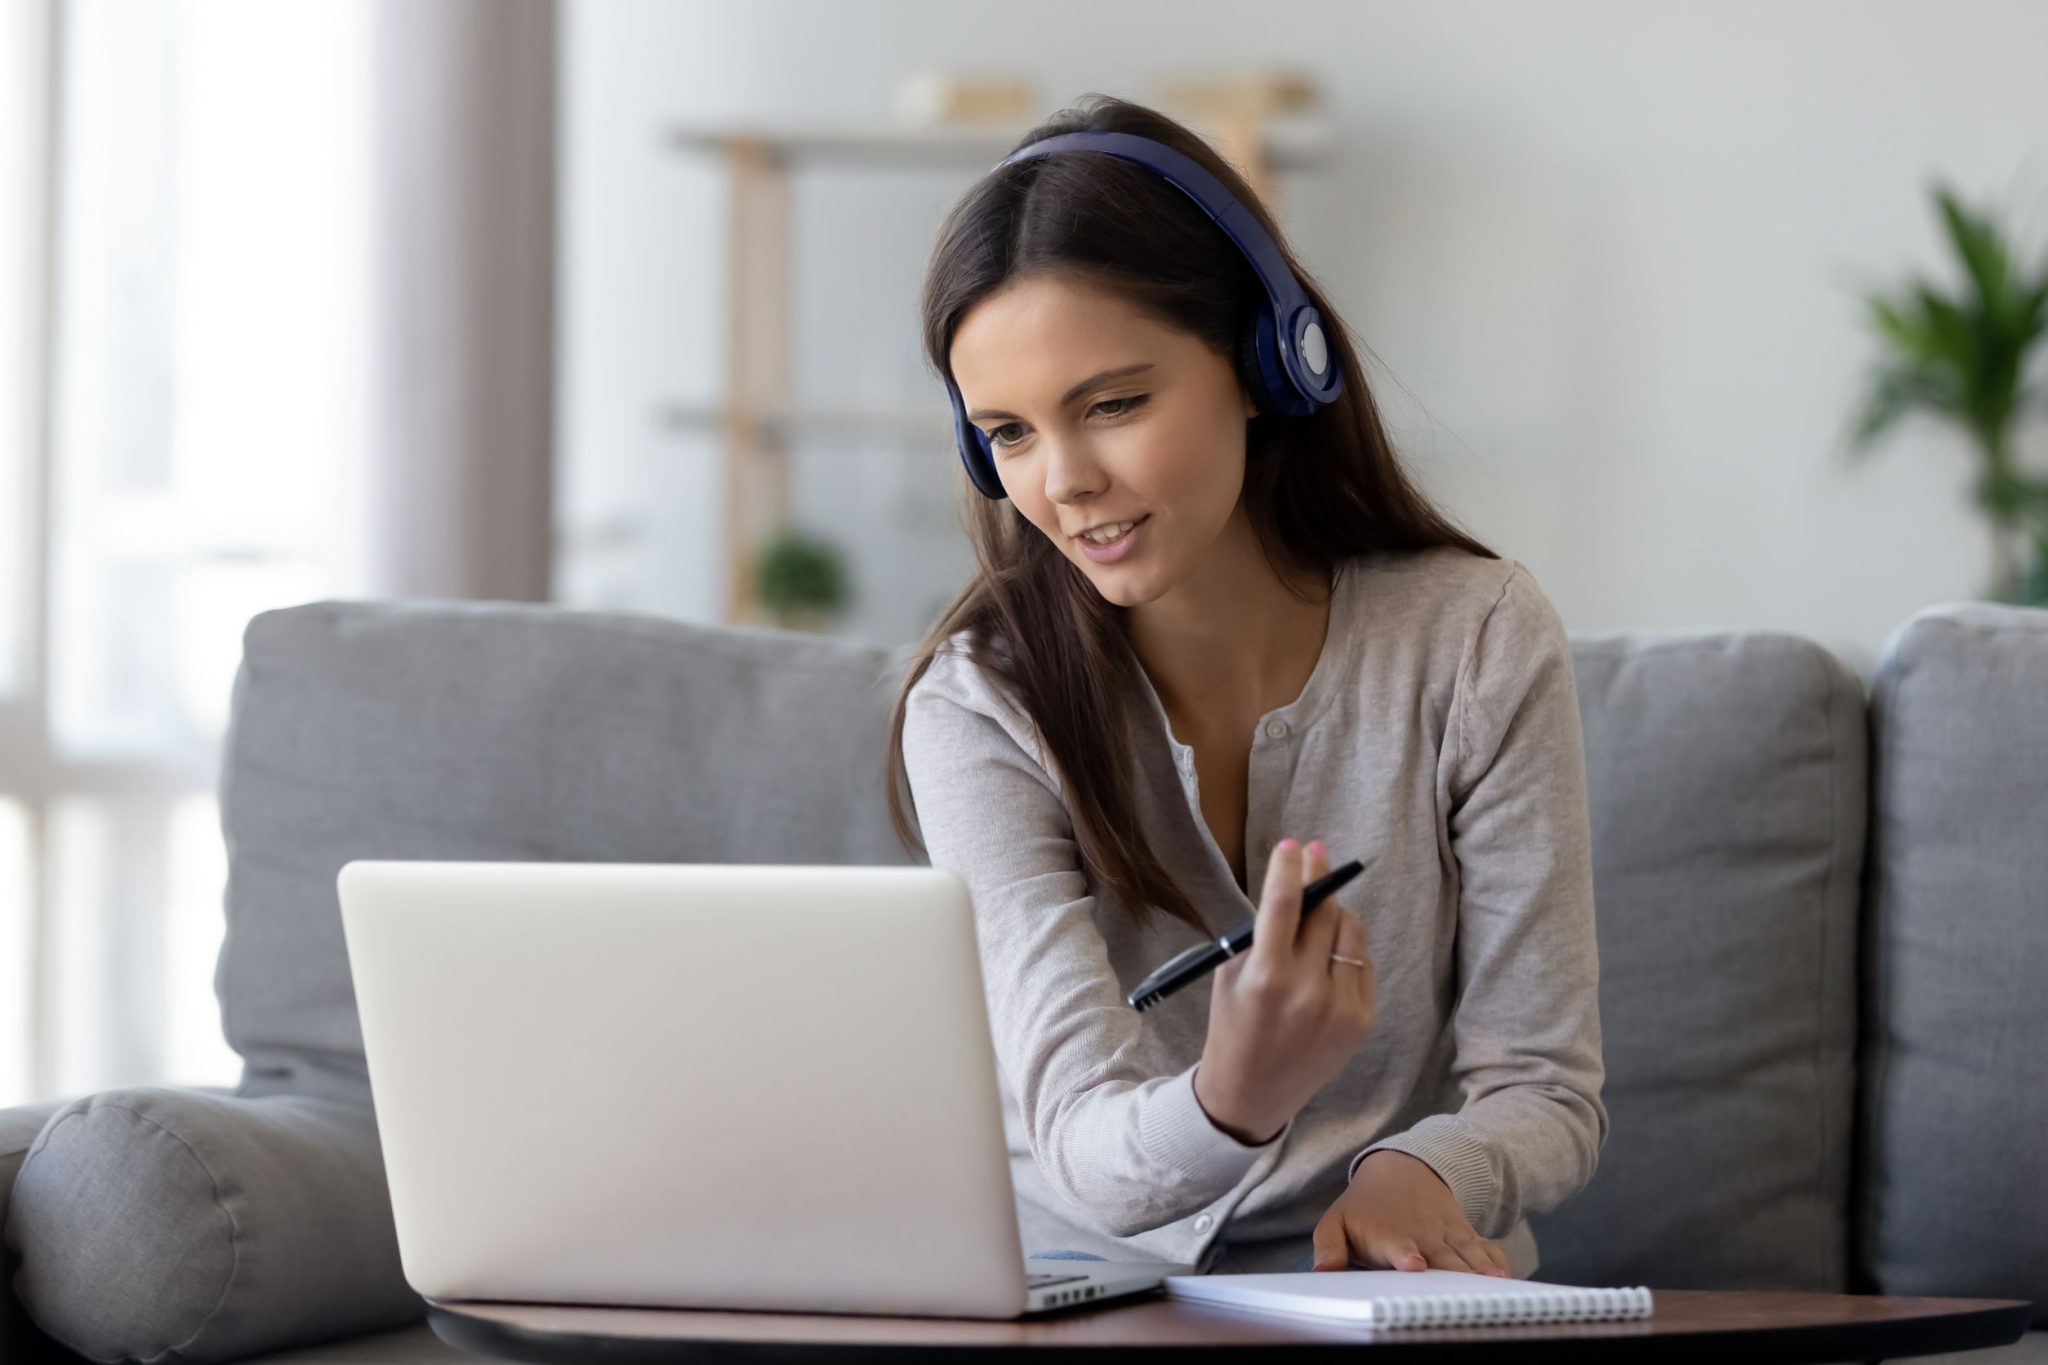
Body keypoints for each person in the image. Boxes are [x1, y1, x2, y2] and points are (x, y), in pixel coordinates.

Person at [883, 93, 1607, 1281]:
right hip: (1086, 1291)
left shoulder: (1475, 639)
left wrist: (1428, 1167)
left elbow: (1544, 1088)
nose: (1063, 481)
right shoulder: (978, 708)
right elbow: (1078, 1142)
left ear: (1273, 360)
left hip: (1386, 1288)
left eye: (1113, 404)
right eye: (1007, 433)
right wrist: (1234, 1094)